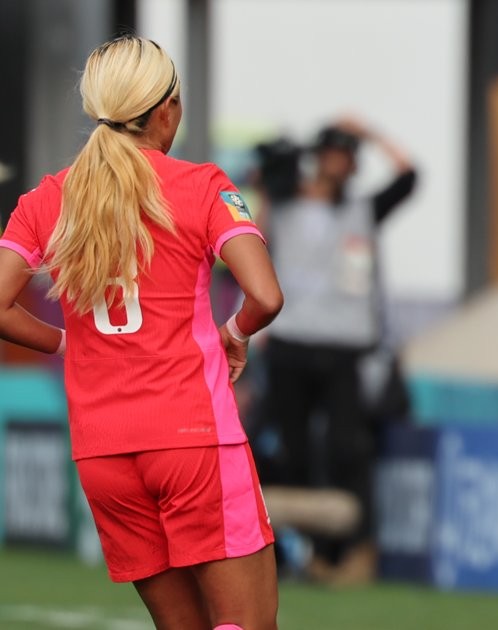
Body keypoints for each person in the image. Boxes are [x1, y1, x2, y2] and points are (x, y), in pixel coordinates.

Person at [0, 35, 283, 629]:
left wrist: (62, 342)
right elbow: (264, 296)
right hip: (193, 437)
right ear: (167, 109)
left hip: (103, 453)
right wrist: (234, 331)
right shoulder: (201, 185)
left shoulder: (47, 200)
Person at [252, 115, 417, 585]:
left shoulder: (362, 211)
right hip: (289, 343)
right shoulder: (282, 206)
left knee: (348, 450)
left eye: (350, 157)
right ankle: (290, 553)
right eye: (335, 154)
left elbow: (410, 178)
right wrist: (268, 188)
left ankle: (349, 551)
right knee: (291, 451)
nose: (342, 165)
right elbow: (249, 244)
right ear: (318, 158)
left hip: (345, 347)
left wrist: (369, 130)